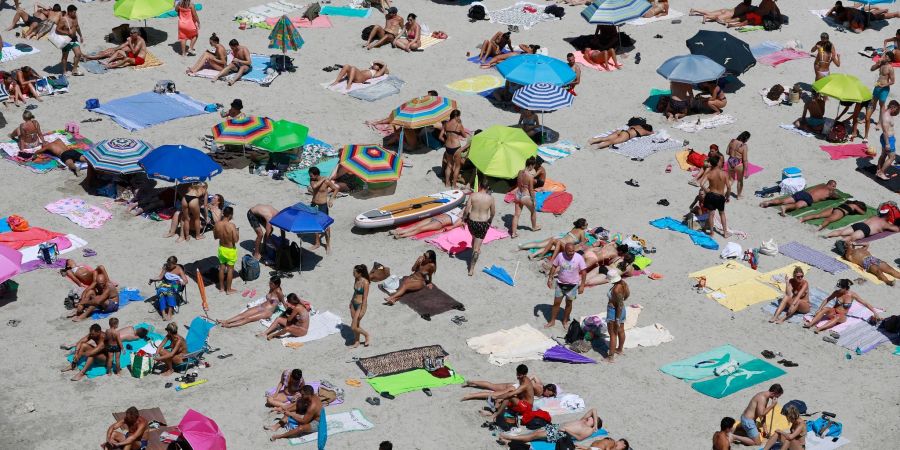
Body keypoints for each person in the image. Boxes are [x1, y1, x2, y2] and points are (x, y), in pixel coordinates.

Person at [804, 279, 881, 333]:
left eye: (840, 288)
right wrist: (819, 309)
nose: (838, 290)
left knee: (837, 317)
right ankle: (810, 324)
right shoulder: (837, 292)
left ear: (845, 288)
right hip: (833, 311)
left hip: (842, 316)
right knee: (825, 308)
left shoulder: (852, 295)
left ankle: (820, 328)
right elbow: (827, 299)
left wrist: (875, 313)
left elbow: (865, 304)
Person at [498, 409, 601, 445]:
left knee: (535, 435)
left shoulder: (589, 430)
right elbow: (594, 410)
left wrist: (567, 430)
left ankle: (509, 437)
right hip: (557, 427)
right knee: (534, 434)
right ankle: (510, 441)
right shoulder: (583, 420)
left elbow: (579, 438)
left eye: (592, 418)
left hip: (561, 433)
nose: (590, 417)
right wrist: (595, 423)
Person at [545, 243, 587, 329]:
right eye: (570, 251)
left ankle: (565, 321)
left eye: (573, 251)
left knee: (568, 303)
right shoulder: (560, 256)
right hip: (560, 284)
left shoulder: (579, 257)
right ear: (565, 250)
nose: (572, 253)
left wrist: (582, 285)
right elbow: (554, 266)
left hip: (573, 285)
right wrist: (550, 278)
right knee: (556, 303)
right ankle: (552, 321)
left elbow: (584, 272)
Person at [218, 276, 286, 328]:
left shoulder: (279, 292)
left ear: (276, 285)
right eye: (269, 282)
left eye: (271, 283)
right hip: (261, 306)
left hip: (267, 312)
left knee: (248, 318)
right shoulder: (272, 288)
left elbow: (284, 303)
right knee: (243, 314)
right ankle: (226, 321)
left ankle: (229, 325)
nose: (269, 284)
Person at [463, 174, 495, 276]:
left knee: (474, 236)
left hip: (472, 221)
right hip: (483, 223)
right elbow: (493, 212)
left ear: (480, 186)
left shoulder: (473, 195)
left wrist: (464, 218)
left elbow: (467, 209)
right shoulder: (490, 198)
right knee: (477, 248)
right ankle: (471, 268)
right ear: (487, 187)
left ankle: (474, 248)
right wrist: (490, 220)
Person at [519, 218, 589, 262]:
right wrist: (586, 240)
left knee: (540, 244)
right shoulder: (582, 231)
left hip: (559, 239)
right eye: (586, 224)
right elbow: (582, 243)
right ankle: (536, 256)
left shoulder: (574, 228)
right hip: (563, 244)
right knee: (549, 247)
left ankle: (524, 248)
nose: (587, 225)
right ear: (582, 226)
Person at [759, 180, 840, 216]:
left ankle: (768, 202)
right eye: (833, 186)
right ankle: (785, 207)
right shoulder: (830, 192)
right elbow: (837, 197)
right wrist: (835, 193)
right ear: (829, 185)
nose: (834, 188)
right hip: (809, 198)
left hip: (803, 193)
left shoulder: (820, 185)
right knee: (797, 205)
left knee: (783, 200)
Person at [699, 155, 732, 237]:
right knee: (722, 214)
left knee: (711, 214)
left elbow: (701, 184)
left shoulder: (709, 173)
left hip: (710, 195)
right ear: (717, 163)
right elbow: (728, 187)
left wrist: (707, 191)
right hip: (720, 196)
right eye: (720, 161)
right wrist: (727, 197)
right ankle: (725, 233)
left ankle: (712, 233)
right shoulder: (724, 174)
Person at [148, 256, 188, 321]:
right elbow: (160, 277)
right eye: (168, 264)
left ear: (175, 264)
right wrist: (152, 279)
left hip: (176, 285)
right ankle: (163, 314)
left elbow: (186, 281)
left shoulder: (179, 269)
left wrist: (181, 282)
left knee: (170, 293)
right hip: (166, 283)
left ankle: (169, 313)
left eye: (170, 264)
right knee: (161, 292)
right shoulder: (166, 267)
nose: (168, 266)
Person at [309, 166, 338, 253]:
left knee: (326, 226)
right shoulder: (313, 181)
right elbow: (314, 187)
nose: (310, 177)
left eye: (311, 175)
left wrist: (331, 199)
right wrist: (323, 179)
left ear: (316, 174)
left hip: (322, 205)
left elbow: (336, 189)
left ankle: (328, 245)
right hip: (314, 204)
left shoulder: (326, 182)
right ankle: (317, 243)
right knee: (315, 224)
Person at [510, 157, 541, 238]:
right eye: (533, 166)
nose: (533, 168)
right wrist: (534, 200)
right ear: (531, 165)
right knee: (533, 211)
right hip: (525, 196)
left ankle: (513, 233)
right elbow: (531, 190)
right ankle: (534, 227)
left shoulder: (520, 172)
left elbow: (518, 184)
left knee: (516, 215)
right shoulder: (530, 176)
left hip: (518, 194)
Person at [389, 207, 463, 239]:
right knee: (416, 225)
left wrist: (451, 228)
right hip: (434, 218)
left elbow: (456, 225)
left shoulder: (462, 218)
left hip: (439, 223)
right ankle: (399, 231)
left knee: (420, 229)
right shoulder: (457, 208)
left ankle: (401, 235)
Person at [439, 109, 468, 186]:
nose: (459, 118)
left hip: (448, 147)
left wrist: (446, 141)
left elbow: (440, 137)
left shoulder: (446, 124)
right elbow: (465, 135)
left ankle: (447, 183)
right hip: (456, 147)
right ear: (456, 116)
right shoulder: (459, 125)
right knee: (458, 166)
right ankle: (454, 184)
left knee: (449, 165)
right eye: (459, 116)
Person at [605, 269, 629, 362]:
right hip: (622, 311)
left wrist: (617, 319)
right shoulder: (623, 284)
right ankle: (619, 350)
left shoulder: (616, 289)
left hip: (614, 312)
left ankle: (610, 357)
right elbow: (626, 296)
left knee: (613, 334)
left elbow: (619, 305)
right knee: (621, 331)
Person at [214, 206, 239, 295]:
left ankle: (221, 287)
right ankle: (228, 290)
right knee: (230, 270)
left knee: (221, 268)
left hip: (222, 248)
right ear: (230, 215)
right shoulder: (231, 226)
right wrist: (237, 231)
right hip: (230, 250)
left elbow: (215, 237)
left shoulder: (217, 224)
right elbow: (236, 240)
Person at [799, 199, 867, 231]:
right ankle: (818, 228)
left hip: (834, 209)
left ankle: (802, 219)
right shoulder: (855, 206)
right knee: (829, 220)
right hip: (840, 212)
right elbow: (862, 213)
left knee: (817, 215)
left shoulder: (847, 203)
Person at [826, 214, 900, 243]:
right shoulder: (885, 224)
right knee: (851, 237)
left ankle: (827, 235)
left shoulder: (874, 216)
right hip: (866, 229)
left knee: (841, 232)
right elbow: (896, 229)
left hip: (860, 224)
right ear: (887, 218)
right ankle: (840, 242)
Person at [589, 119, 653, 149]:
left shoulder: (638, 126)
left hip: (622, 131)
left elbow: (630, 126)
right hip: (626, 135)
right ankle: (598, 146)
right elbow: (651, 133)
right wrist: (649, 131)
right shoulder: (644, 131)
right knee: (611, 141)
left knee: (606, 138)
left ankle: (593, 140)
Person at [876, 100, 900, 180]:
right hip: (888, 139)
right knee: (892, 157)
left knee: (883, 155)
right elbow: (885, 131)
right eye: (896, 109)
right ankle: (881, 172)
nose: (896, 112)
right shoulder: (886, 117)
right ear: (893, 107)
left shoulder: (887, 114)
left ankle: (878, 170)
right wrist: (887, 143)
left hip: (886, 138)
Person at [349, 264, 371, 348]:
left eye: (354, 272)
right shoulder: (356, 279)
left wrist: (362, 309)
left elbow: (365, 297)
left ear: (360, 273)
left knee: (353, 327)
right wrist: (351, 302)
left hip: (360, 305)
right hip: (353, 304)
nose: (353, 273)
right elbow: (355, 292)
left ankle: (366, 335)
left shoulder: (365, 283)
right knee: (356, 324)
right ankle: (357, 341)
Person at [725, 131, 750, 199]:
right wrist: (746, 171)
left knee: (731, 180)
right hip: (738, 164)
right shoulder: (744, 146)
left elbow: (727, 152)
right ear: (746, 138)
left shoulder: (732, 141)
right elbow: (745, 160)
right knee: (739, 180)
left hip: (730, 161)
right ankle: (738, 196)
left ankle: (726, 193)